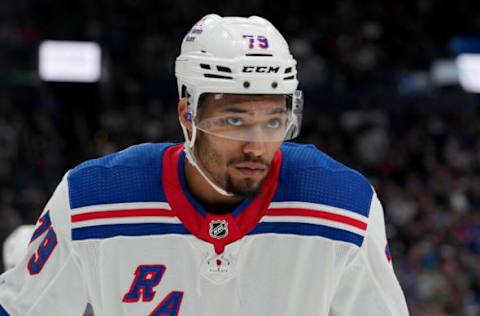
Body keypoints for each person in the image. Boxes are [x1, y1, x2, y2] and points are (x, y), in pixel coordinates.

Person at [0, 14, 409, 315]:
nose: (256, 145)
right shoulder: (90, 200)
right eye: (234, 120)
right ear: (187, 115)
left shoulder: (344, 206)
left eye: (273, 121)